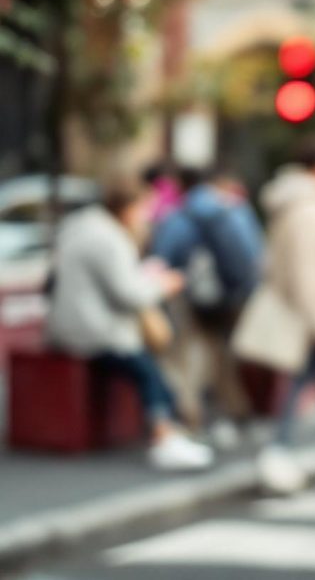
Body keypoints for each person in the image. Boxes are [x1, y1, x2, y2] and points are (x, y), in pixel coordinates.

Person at [47, 172, 214, 471]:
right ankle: (164, 439)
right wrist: (164, 284)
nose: (147, 217)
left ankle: (171, 434)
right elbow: (128, 294)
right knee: (148, 371)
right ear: (127, 208)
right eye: (144, 209)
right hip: (92, 330)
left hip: (72, 323)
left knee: (151, 370)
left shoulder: (82, 226)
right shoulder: (108, 238)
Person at [258, 133, 315, 492]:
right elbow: (313, 274)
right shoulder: (311, 209)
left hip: (296, 311)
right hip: (314, 315)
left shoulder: (291, 202)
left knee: (307, 387)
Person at [150, 167, 264, 444]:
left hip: (192, 295)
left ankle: (191, 411)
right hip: (233, 295)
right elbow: (254, 253)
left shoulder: (178, 215)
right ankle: (236, 409)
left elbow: (162, 256)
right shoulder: (235, 210)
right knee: (224, 351)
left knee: (191, 351)